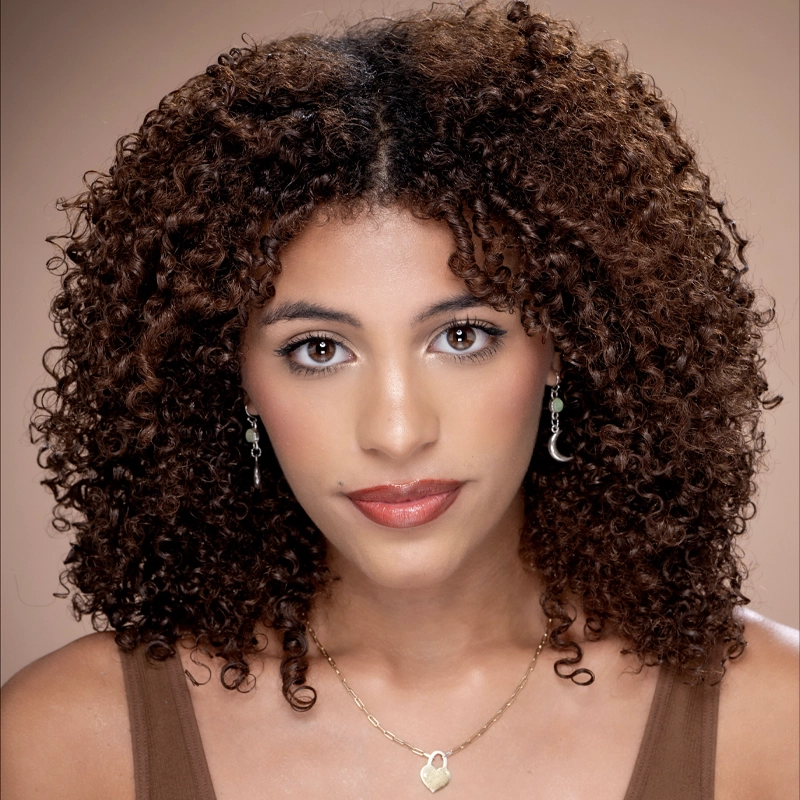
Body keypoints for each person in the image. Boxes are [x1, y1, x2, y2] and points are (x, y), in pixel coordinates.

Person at [1, 2, 797, 798]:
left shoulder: (775, 720)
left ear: (564, 344)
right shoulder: (65, 743)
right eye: (319, 350)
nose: (396, 431)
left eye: (462, 338)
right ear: (230, 376)